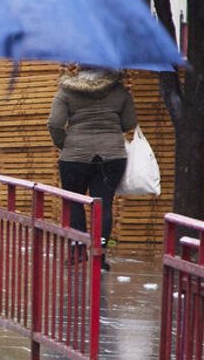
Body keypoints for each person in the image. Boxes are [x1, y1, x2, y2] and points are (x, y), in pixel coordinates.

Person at [48, 66, 136, 269]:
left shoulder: (67, 91)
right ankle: (100, 254)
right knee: (104, 204)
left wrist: (64, 143)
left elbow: (54, 123)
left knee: (74, 202)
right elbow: (129, 122)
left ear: (80, 67)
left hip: (75, 156)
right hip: (111, 156)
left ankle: (77, 251)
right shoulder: (120, 91)